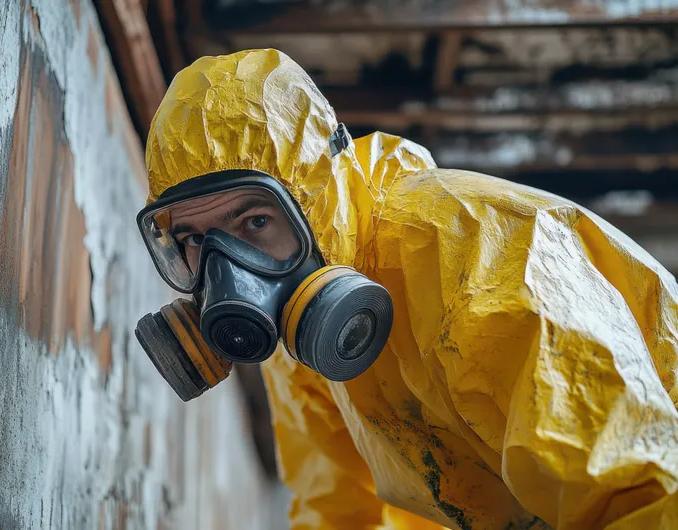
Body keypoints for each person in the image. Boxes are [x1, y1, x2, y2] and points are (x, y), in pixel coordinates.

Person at [134, 49, 678, 530]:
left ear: (317, 195)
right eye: (195, 240)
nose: (232, 274)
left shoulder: (473, 251)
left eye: (255, 221)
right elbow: (336, 510)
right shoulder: (299, 332)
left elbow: (634, 493)